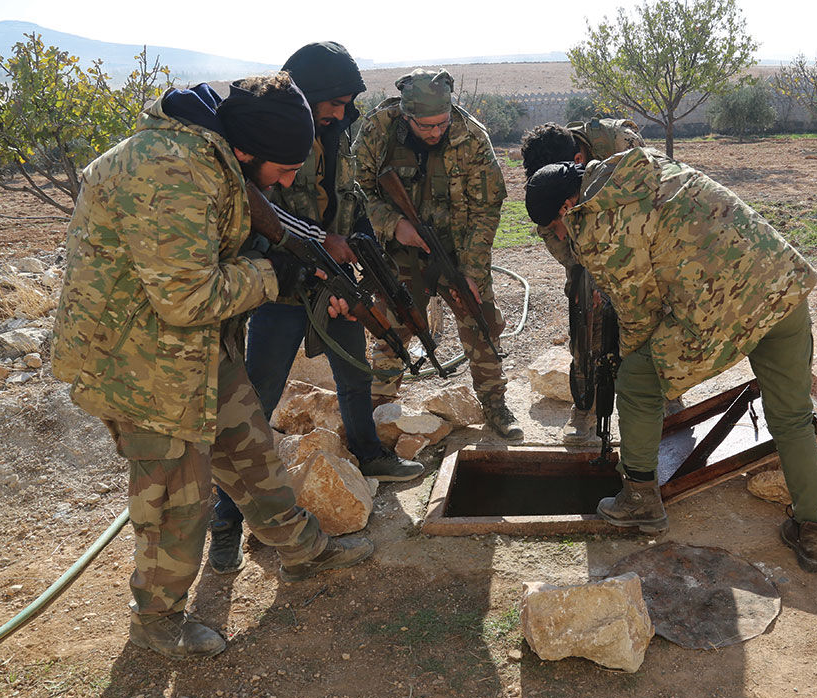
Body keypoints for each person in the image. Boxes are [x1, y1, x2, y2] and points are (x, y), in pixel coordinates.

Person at [52, 72, 373, 660]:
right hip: (138, 361)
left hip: (194, 348)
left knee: (248, 446)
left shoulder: (213, 158)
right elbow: (186, 296)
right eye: (282, 169)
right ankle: (157, 620)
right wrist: (279, 276)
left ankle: (301, 550)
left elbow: (217, 250)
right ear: (247, 150)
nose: (289, 181)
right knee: (178, 497)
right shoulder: (172, 173)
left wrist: (291, 269)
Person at [523, 149, 817, 572]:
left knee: (636, 380)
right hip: (781, 284)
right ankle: (813, 527)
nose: (561, 234)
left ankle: (640, 501)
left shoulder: (596, 225)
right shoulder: (639, 166)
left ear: (566, 206)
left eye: (556, 226)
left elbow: (638, 312)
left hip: (724, 307)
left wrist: (630, 364)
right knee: (793, 416)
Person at [208, 42, 425, 575]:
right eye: (335, 101)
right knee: (256, 397)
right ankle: (227, 519)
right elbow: (256, 217)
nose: (341, 112)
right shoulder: (270, 137)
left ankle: (369, 452)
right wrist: (304, 260)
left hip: (333, 279)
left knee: (355, 369)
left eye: (348, 103)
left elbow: (344, 201)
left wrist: (347, 247)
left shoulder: (336, 137)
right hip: (280, 286)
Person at [353, 69, 521, 439]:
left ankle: (494, 403)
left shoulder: (473, 137)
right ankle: (378, 408)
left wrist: (473, 271)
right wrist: (394, 225)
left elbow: (487, 208)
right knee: (395, 325)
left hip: (457, 250)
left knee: (481, 321)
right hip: (401, 249)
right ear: (406, 115)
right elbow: (357, 188)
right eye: (425, 126)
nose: (435, 132)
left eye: (441, 124)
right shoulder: (379, 130)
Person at [520, 120, 644, 444]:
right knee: (585, 312)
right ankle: (585, 407)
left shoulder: (621, 146)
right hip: (583, 243)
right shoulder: (546, 182)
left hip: (633, 235)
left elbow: (645, 207)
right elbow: (557, 239)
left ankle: (660, 405)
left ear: (576, 162)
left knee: (644, 319)